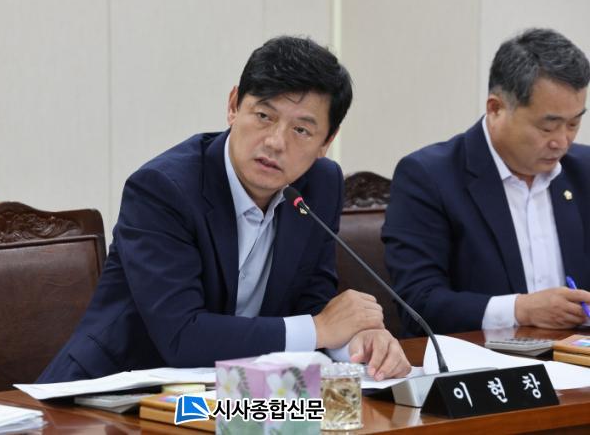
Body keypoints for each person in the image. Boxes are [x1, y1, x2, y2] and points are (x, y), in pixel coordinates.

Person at [38, 36, 410, 383]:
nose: (275, 142)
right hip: (108, 393)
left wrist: (357, 340)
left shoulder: (320, 185)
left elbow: (311, 300)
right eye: (264, 116)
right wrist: (321, 329)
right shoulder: (163, 189)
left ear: (326, 141)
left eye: (301, 130)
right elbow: (182, 336)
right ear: (233, 106)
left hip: (228, 395)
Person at [383, 28, 590, 336]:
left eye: (573, 123)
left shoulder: (584, 171)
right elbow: (418, 303)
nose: (561, 141)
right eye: (548, 127)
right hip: (483, 359)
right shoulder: (429, 177)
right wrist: (519, 309)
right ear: (496, 109)